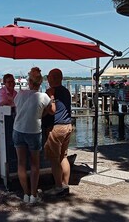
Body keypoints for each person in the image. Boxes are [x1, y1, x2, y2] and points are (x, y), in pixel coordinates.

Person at [12, 67, 55, 204]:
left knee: (21, 163)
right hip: (34, 132)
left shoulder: (19, 94)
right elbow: (52, 111)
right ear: (40, 83)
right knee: (35, 164)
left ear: (29, 81)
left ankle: (25, 194)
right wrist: (52, 98)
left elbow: (19, 109)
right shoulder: (44, 96)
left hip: (18, 130)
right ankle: (33, 195)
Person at [43, 68, 73, 197]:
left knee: (54, 159)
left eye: (48, 77)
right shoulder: (66, 91)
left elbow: (51, 110)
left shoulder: (51, 92)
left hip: (56, 128)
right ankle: (65, 185)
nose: (47, 79)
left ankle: (58, 187)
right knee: (63, 156)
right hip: (68, 126)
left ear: (53, 78)